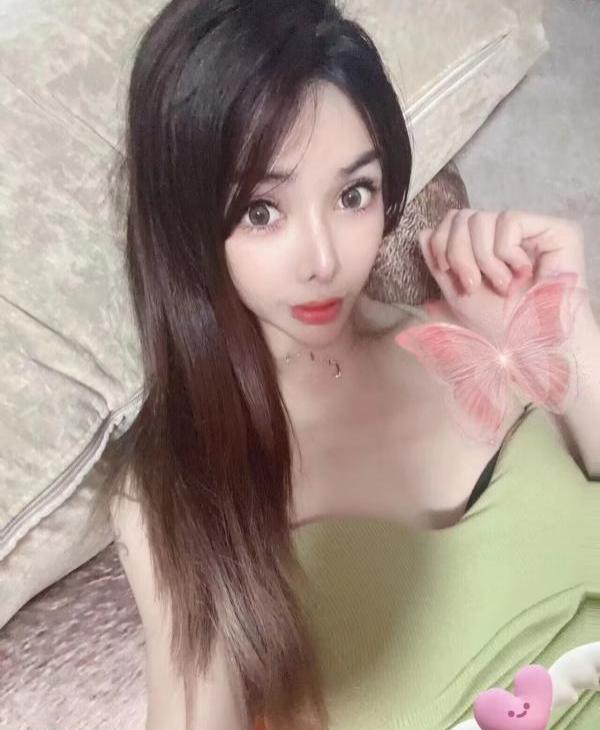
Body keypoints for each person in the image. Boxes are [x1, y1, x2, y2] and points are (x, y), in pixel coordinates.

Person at [103, 1, 600, 729]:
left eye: (352, 194)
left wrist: (570, 330)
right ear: (184, 224)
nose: (325, 260)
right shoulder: (177, 489)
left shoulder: (480, 326)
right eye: (261, 211)